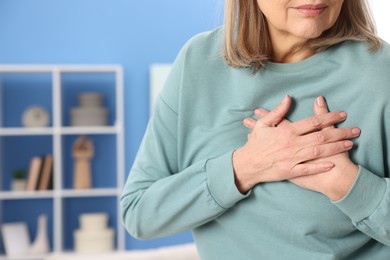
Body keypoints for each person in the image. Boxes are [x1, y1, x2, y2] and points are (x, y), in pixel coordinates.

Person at [121, 0, 390, 259]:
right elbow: (138, 213)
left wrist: (348, 185)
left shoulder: (380, 74)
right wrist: (246, 166)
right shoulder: (198, 61)